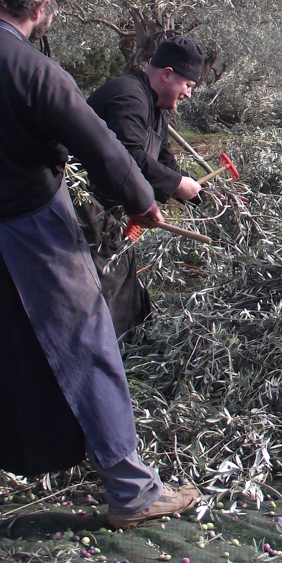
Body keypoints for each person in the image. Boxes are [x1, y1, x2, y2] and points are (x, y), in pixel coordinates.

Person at [0, 0, 201, 532]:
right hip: (32, 236)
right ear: (38, 10)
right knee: (87, 348)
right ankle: (131, 490)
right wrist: (144, 201)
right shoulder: (35, 69)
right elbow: (102, 148)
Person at [80, 37, 209, 338]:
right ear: (166, 74)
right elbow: (128, 155)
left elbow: (164, 160)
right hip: (85, 210)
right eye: (188, 85)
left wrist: (208, 198)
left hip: (115, 212)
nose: (189, 94)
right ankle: (96, 355)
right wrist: (176, 184)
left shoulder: (155, 108)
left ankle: (127, 346)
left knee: (123, 275)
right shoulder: (128, 96)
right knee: (98, 285)